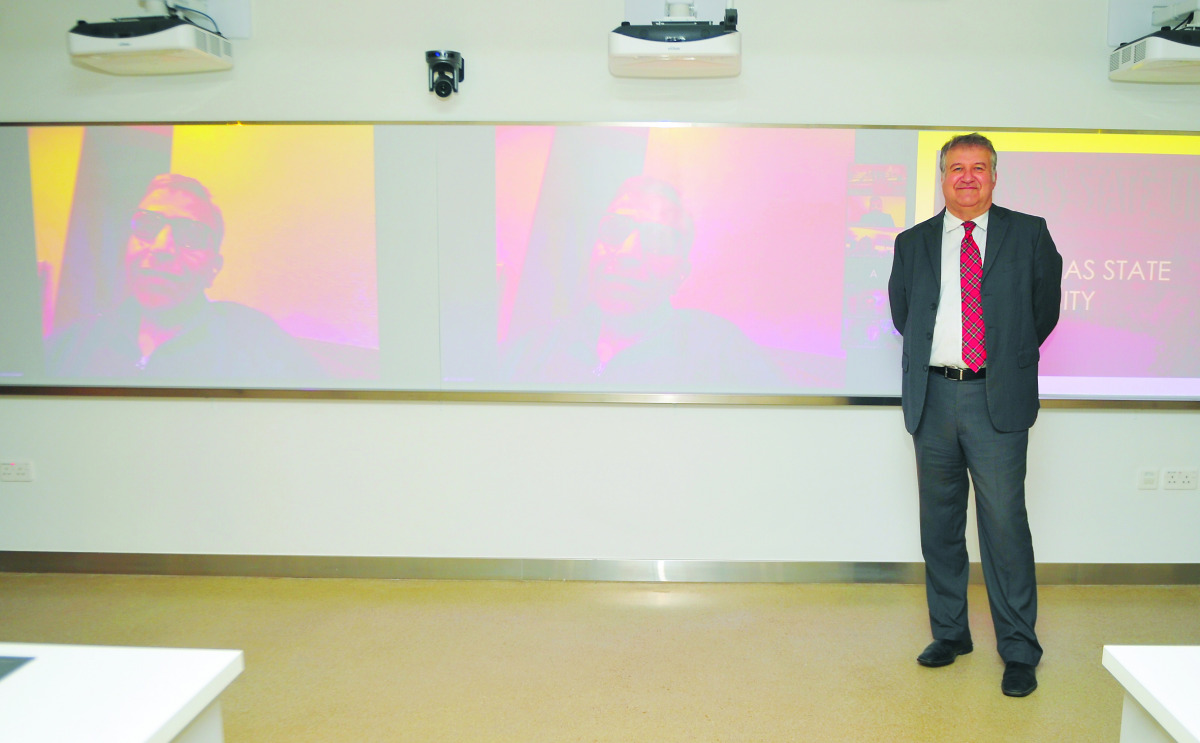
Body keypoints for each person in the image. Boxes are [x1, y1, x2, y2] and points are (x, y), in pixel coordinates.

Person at [887, 133, 1063, 697]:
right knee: (939, 527)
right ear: (942, 177)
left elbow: (1042, 312)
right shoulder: (912, 242)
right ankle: (950, 634)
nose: (967, 177)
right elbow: (904, 315)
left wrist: (1000, 359)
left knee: (1004, 528)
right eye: (956, 168)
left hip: (997, 397)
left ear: (994, 176)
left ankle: (1019, 650)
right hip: (933, 397)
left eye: (979, 168)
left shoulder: (1029, 233)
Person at [503, 175, 783, 391]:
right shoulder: (535, 348)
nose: (628, 253)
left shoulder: (720, 353)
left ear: (681, 274)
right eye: (614, 229)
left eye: (658, 240)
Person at [47, 174, 318, 380]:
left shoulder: (255, 341)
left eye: (191, 234)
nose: (161, 247)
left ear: (214, 268)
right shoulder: (74, 344)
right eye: (147, 225)